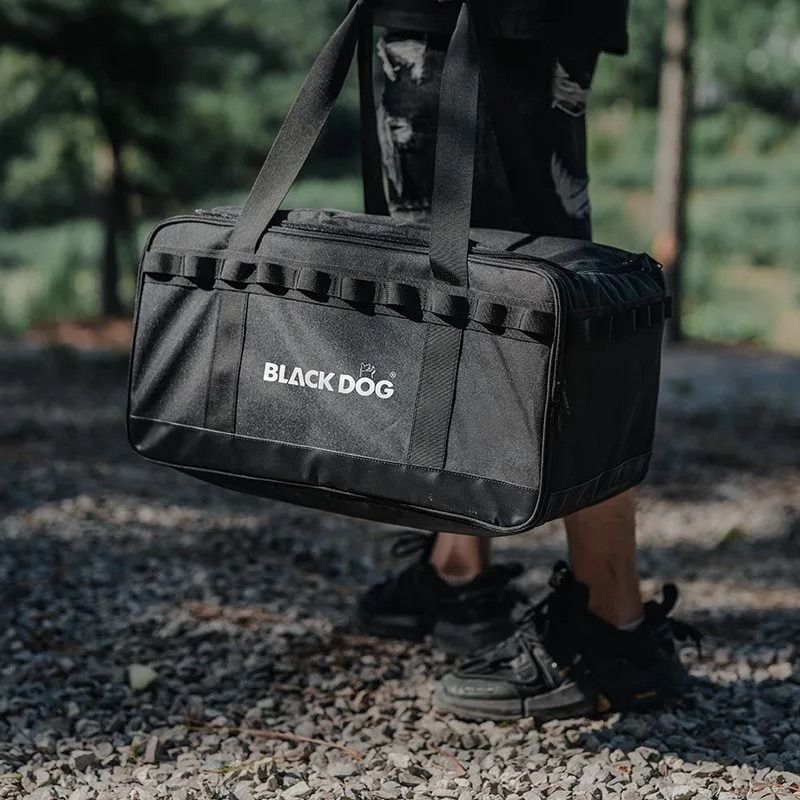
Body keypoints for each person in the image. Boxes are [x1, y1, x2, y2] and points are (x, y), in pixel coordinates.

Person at [354, 0, 699, 721]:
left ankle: (611, 621)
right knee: (459, 295)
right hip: (462, 16)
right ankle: (459, 570)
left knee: (545, 301)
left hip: (510, 16)